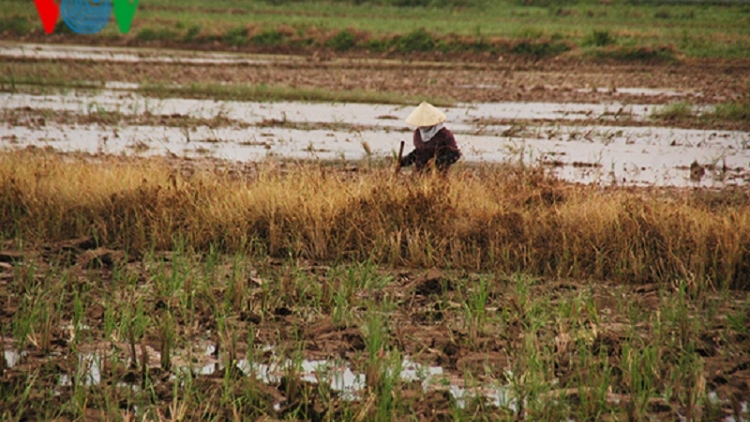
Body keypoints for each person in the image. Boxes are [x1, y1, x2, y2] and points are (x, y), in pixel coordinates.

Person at [399, 102, 461, 173]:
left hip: (439, 175)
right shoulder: (418, 133)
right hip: (420, 174)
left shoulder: (444, 134)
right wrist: (402, 162)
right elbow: (418, 153)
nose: (422, 126)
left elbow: (455, 155)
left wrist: (436, 161)